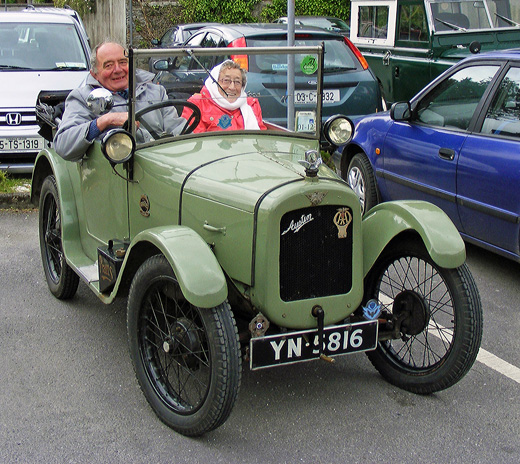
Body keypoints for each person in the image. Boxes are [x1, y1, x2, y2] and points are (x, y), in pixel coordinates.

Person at [54, 41, 186, 161]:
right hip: (115, 176)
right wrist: (105, 121)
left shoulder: (156, 91)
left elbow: (178, 130)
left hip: (162, 165)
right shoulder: (82, 98)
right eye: (109, 65)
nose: (118, 70)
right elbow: (63, 145)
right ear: (94, 74)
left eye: (123, 62)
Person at [182, 60, 266, 133]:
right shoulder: (198, 104)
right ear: (214, 83)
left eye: (237, 82)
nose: (232, 87)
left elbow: (262, 140)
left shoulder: (251, 104)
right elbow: (195, 141)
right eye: (226, 80)